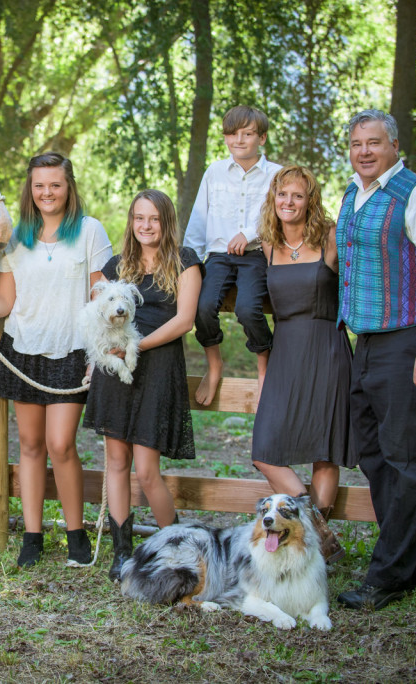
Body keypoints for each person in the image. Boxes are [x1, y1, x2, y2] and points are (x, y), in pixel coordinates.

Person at [0, 152, 112, 568]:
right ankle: (33, 537)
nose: (47, 193)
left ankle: (76, 533)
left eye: (55, 185)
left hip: (71, 351)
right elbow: (6, 301)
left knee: (61, 444)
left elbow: (101, 296)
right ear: (30, 188)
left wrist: (101, 349)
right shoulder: (17, 237)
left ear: (68, 186)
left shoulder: (90, 232)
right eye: (39, 185)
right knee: (30, 445)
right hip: (24, 350)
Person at [334, 110, 416, 611]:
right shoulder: (353, 194)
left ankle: (387, 576)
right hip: (367, 341)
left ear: (394, 144)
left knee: (405, 461)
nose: (364, 151)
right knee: (375, 455)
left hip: (409, 340)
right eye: (357, 143)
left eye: (374, 143)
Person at [82, 189, 203, 580]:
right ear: (131, 222)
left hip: (159, 366)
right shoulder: (116, 265)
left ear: (166, 222)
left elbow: (185, 320)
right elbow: (96, 315)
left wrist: (138, 345)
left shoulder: (185, 263)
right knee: (116, 463)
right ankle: (122, 553)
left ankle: (181, 550)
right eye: (139, 218)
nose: (145, 226)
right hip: (115, 373)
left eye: (153, 219)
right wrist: (104, 355)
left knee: (148, 470)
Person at [251, 166, 354, 563]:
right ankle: (318, 534)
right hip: (286, 349)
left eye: (297, 195)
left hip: (327, 347)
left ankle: (313, 549)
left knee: (323, 450)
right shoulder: (267, 244)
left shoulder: (330, 237)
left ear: (310, 200)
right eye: (282, 195)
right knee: (265, 449)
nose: (288, 202)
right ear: (272, 200)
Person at [184, 105, 282, 408]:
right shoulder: (214, 172)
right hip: (218, 256)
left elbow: (277, 212)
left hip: (255, 255)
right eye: (232, 133)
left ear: (261, 138)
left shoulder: (276, 174)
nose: (239, 140)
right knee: (202, 307)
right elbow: (200, 218)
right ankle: (214, 365)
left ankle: (264, 362)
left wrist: (250, 233)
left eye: (248, 133)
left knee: (249, 308)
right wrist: (190, 261)